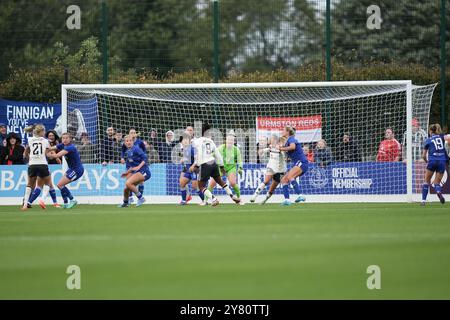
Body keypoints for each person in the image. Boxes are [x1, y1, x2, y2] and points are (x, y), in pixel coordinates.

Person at [190, 123, 240, 206]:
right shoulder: (211, 141)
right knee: (220, 181)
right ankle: (232, 196)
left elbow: (197, 153)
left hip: (204, 164)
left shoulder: (197, 141)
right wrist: (221, 167)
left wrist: (196, 165)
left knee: (201, 186)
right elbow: (217, 154)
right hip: (213, 163)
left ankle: (214, 199)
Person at [21, 124, 59, 210]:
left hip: (32, 164)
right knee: (48, 183)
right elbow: (48, 153)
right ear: (41, 132)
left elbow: (25, 152)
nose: (45, 133)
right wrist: (55, 156)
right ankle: (42, 200)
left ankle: (25, 205)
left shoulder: (30, 140)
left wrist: (29, 158)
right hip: (42, 164)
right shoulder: (45, 141)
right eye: (44, 131)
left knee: (29, 185)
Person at [48, 132, 84, 209]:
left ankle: (73, 200)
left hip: (77, 170)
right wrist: (45, 147)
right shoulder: (62, 145)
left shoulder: (70, 147)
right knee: (60, 185)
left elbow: (57, 155)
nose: (64, 139)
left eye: (67, 138)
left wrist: (46, 154)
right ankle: (66, 203)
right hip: (71, 169)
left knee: (60, 185)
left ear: (70, 139)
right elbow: (51, 148)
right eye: (63, 138)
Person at [251, 134, 287, 204]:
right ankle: (254, 196)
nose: (269, 140)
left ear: (275, 140)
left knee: (271, 189)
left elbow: (284, 157)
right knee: (266, 181)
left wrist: (283, 153)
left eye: (271, 139)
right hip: (271, 167)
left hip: (280, 170)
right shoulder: (270, 147)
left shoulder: (280, 148)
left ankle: (264, 200)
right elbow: (264, 151)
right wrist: (261, 151)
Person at [207, 130, 243, 200]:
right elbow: (212, 155)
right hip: (220, 168)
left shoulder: (236, 150)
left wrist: (240, 168)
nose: (230, 141)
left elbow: (240, 161)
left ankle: (239, 198)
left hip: (231, 168)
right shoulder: (221, 148)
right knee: (212, 183)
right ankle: (205, 201)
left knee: (232, 182)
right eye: (229, 140)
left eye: (232, 140)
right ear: (225, 140)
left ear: (234, 142)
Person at [278, 126, 309, 206]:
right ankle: (287, 200)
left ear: (288, 132)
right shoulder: (287, 142)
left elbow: (292, 147)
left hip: (302, 162)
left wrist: (281, 149)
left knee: (290, 176)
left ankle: (300, 195)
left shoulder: (291, 139)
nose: (282, 131)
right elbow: (289, 153)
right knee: (284, 180)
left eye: (283, 130)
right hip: (298, 163)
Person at [421, 124, 450, 205]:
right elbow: (448, 138)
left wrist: (426, 161)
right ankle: (438, 192)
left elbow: (423, 155)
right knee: (437, 182)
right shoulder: (441, 137)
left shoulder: (428, 140)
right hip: (442, 161)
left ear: (430, 131)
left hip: (432, 161)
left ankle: (423, 201)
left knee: (426, 181)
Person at [118, 135, 151, 207]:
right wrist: (126, 173)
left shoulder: (136, 149)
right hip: (137, 172)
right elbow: (131, 166)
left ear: (132, 141)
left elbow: (145, 158)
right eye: (127, 141)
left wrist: (138, 167)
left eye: (130, 141)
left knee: (128, 183)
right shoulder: (127, 152)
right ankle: (125, 202)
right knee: (126, 189)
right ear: (125, 143)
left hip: (144, 171)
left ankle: (141, 198)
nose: (129, 142)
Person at [178, 133, 205, 205]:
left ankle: (204, 200)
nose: (185, 141)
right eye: (183, 140)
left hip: (195, 170)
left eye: (187, 139)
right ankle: (184, 200)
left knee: (195, 187)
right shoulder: (183, 149)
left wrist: (193, 165)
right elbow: (185, 158)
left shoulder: (192, 149)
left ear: (190, 141)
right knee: (182, 184)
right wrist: (183, 160)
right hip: (188, 170)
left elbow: (197, 159)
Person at [121, 128, 146, 202]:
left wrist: (142, 161)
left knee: (140, 182)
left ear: (136, 134)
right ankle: (130, 198)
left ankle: (140, 197)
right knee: (128, 182)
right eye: (131, 133)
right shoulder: (126, 142)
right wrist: (122, 158)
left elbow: (144, 151)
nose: (133, 134)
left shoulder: (140, 142)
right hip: (130, 165)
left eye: (134, 132)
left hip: (138, 165)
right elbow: (123, 151)